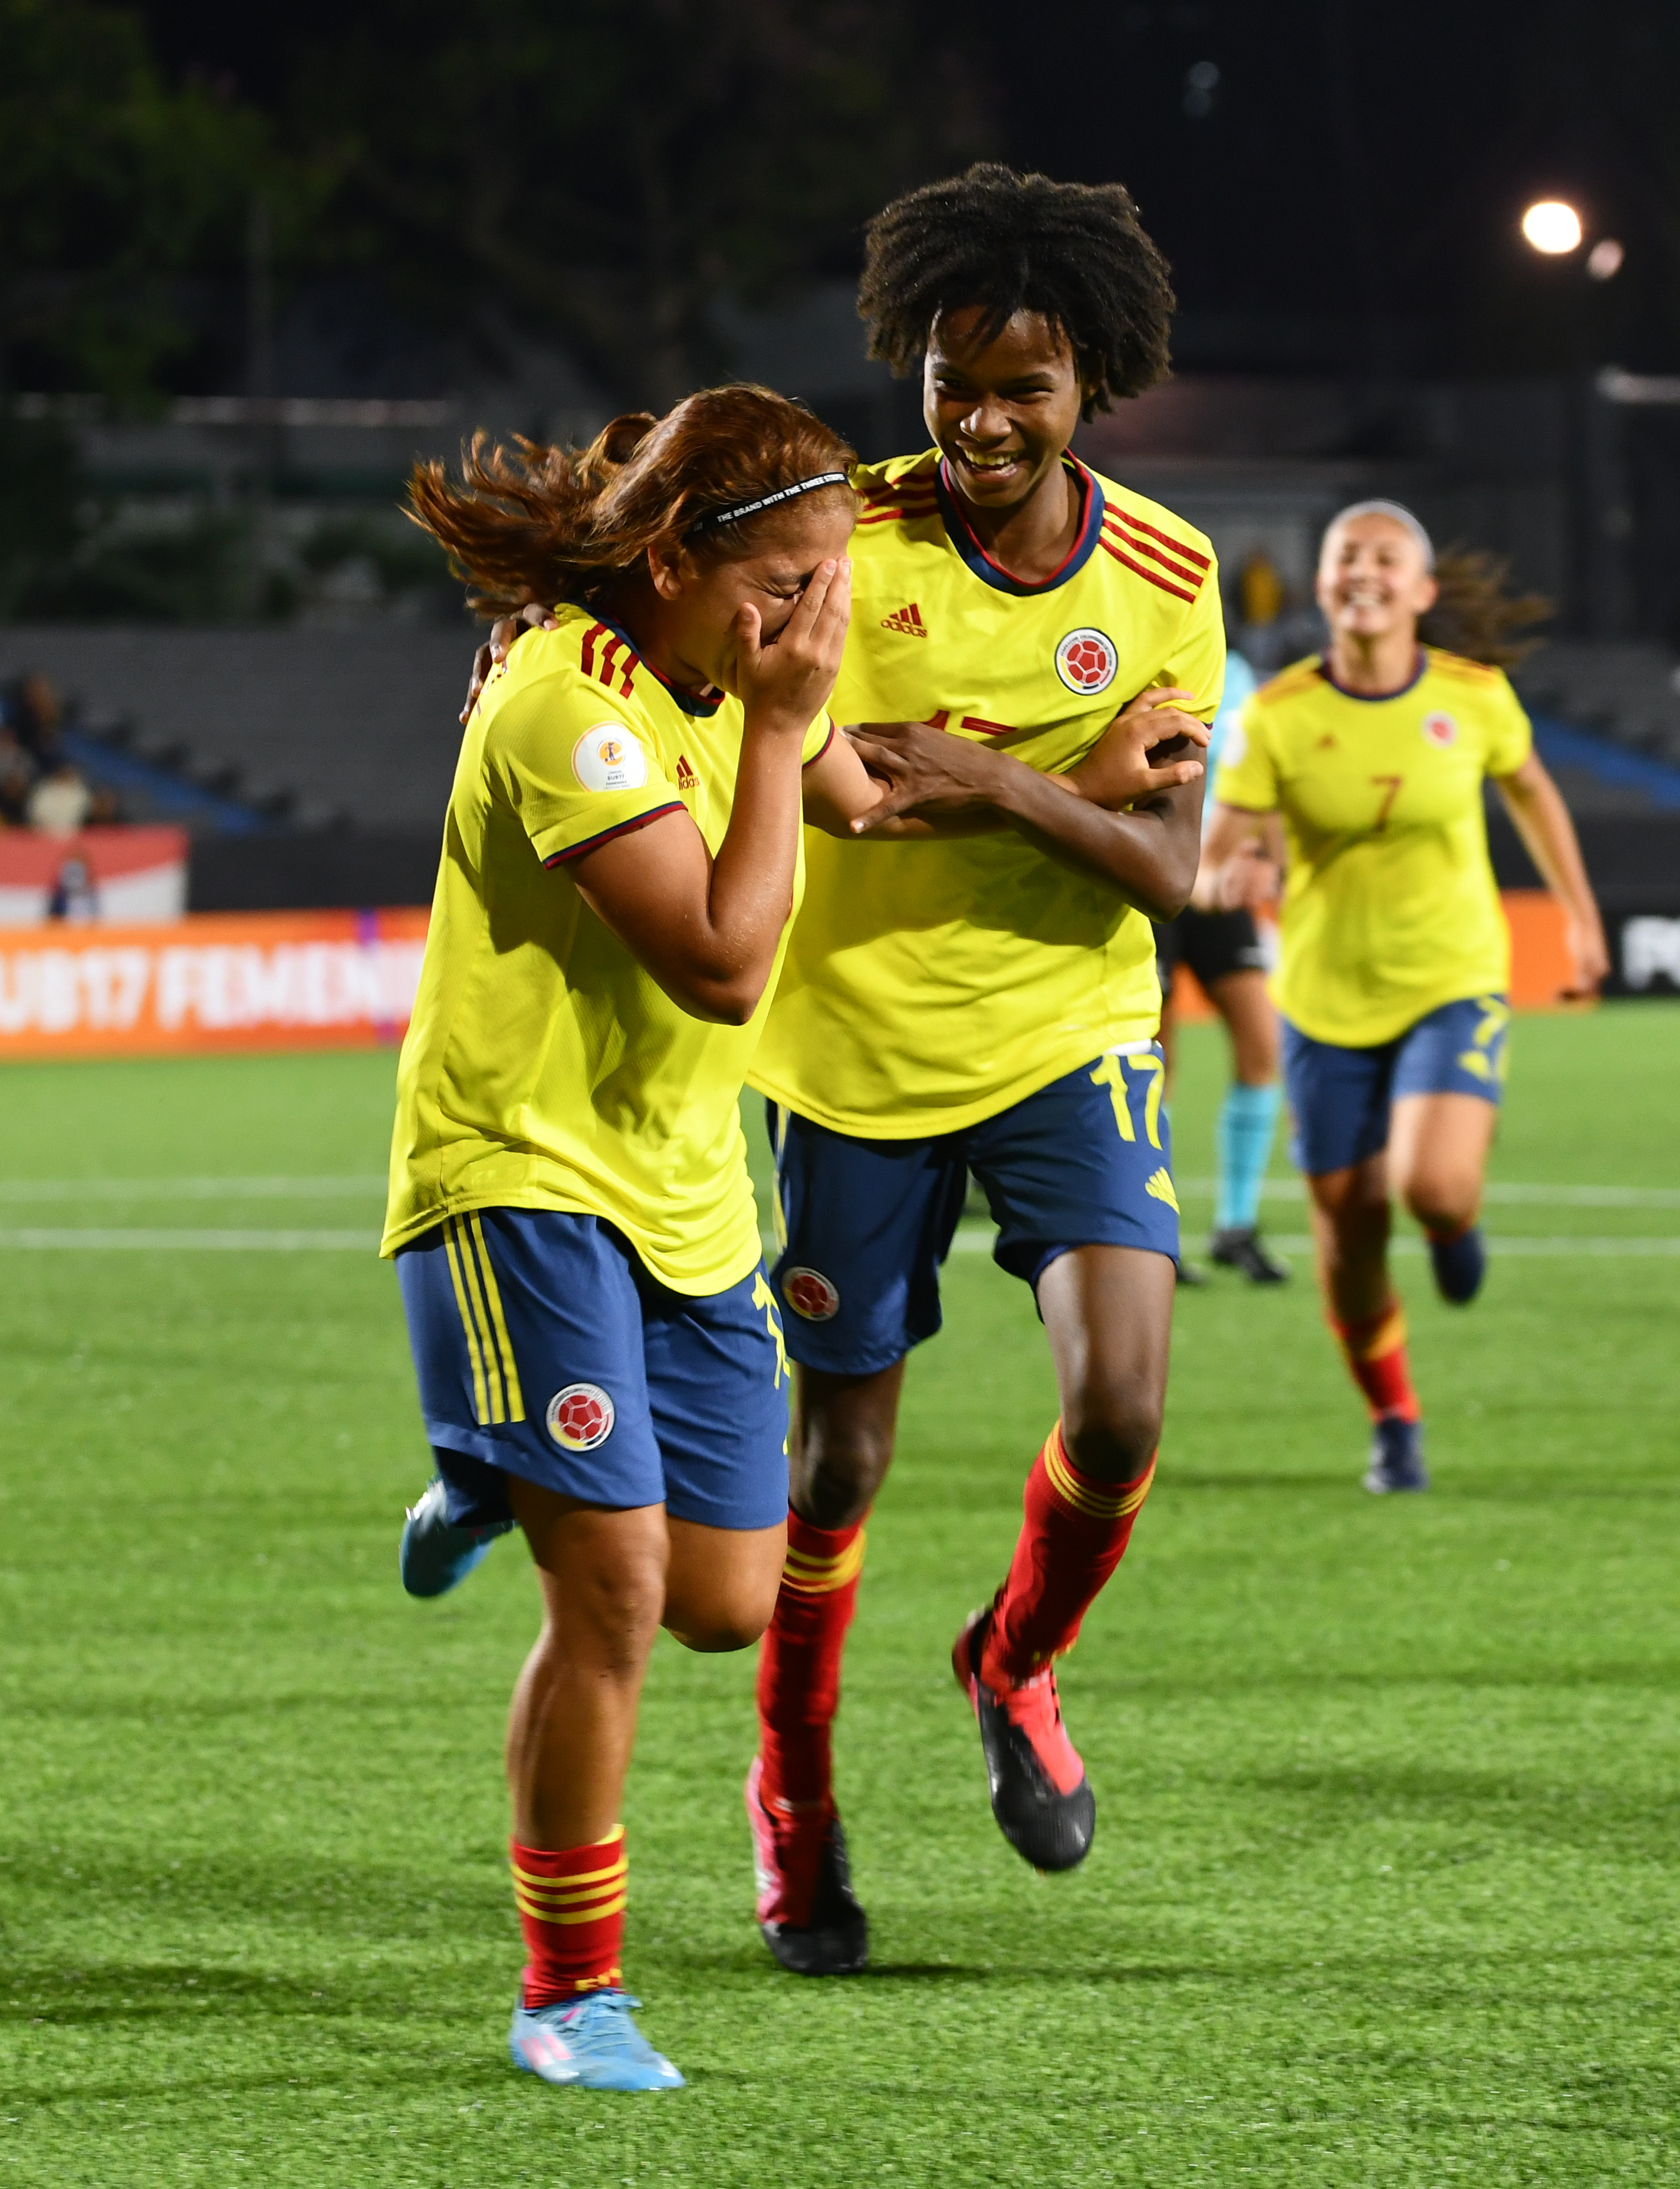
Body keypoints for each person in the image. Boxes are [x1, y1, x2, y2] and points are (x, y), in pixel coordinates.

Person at [737, 165, 1223, 1979]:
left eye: (1025, 386)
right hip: (849, 1048)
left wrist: (1000, 780)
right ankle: (793, 1790)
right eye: (955, 382)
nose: (985, 420)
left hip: (1064, 1036)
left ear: (1091, 377)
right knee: (837, 1464)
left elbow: (1168, 872)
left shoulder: (1169, 577)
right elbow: (825, 780)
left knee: (1122, 1410)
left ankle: (1011, 1659)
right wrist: (1063, 784)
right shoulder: (839, 540)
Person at [381, 385, 858, 2092]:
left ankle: (486, 1466)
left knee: (726, 1600)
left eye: (825, 587)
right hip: (520, 1177)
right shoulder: (560, 707)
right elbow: (723, 962)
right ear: (669, 563)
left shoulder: (742, 672)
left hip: (687, 1191)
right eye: (781, 588)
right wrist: (789, 732)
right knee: (617, 1592)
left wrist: (1065, 783)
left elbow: (868, 792)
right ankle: (566, 1995)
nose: (809, 624)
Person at [1206, 505, 1608, 1493]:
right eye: (1347, 556)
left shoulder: (1474, 696)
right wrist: (1224, 872)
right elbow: (1219, 844)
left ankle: (1452, 1225)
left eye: (1387, 559)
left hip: (1451, 977)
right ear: (1321, 583)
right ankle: (1393, 1418)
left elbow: (1532, 792)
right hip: (1324, 998)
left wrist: (1579, 917)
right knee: (1347, 1239)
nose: (1365, 571)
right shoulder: (1277, 714)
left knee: (1433, 1186)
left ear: (1422, 591)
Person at [1156, 645, 1290, 1284]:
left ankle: (1237, 1226)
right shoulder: (1144, 654)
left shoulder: (1238, 675)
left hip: (1220, 884)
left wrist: (1271, 861)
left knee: (1262, 1046)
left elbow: (1264, 781)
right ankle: (1156, 1233)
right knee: (1156, 1066)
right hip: (1154, 876)